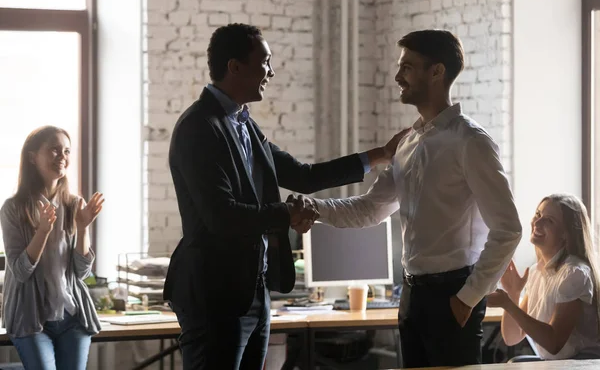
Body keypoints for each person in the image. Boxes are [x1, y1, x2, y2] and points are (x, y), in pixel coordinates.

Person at [165, 23, 404, 370]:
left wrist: (378, 155)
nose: (271, 72)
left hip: (255, 292)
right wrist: (286, 214)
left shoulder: (244, 124)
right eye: (265, 62)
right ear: (234, 67)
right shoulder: (199, 128)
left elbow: (302, 176)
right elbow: (221, 216)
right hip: (214, 296)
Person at [298, 29, 522, 368]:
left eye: (407, 67)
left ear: (437, 72)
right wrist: (314, 209)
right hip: (412, 295)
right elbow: (371, 209)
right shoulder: (406, 144)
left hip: (454, 295)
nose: (397, 77)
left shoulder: (471, 142)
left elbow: (508, 228)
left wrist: (468, 297)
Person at [0, 126, 104, 370]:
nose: (62, 157)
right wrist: (43, 231)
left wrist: (83, 227)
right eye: (54, 150)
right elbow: (21, 271)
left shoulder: (74, 204)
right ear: (32, 156)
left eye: (66, 151)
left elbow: (82, 273)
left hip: (72, 316)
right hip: (31, 319)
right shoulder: (13, 209)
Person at [487, 194, 600, 362]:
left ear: (566, 234)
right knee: (514, 363)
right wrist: (513, 293)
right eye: (538, 215)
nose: (537, 223)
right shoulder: (537, 271)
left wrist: (508, 304)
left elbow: (554, 343)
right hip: (558, 362)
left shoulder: (574, 273)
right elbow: (512, 337)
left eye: (549, 220)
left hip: (582, 363)